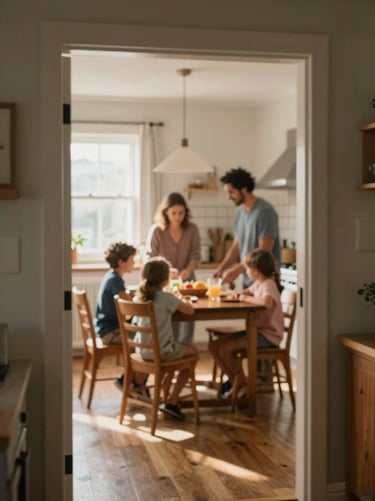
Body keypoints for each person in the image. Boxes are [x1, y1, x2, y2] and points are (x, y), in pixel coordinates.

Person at [209, 248, 284, 398]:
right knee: (214, 346)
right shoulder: (258, 283)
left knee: (225, 349)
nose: (246, 272)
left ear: (255, 271)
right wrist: (234, 294)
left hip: (268, 336)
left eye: (247, 269)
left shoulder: (268, 284)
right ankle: (238, 383)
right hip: (258, 332)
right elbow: (247, 292)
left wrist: (245, 299)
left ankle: (243, 385)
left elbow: (267, 302)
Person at [134, 256, 199, 420]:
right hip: (162, 351)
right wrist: (182, 299)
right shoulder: (166, 298)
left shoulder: (139, 297)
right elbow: (189, 311)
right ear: (165, 279)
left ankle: (166, 395)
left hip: (142, 351)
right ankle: (171, 400)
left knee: (176, 351)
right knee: (194, 355)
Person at [145, 192, 201, 344]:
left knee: (188, 316)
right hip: (164, 282)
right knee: (169, 316)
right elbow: (150, 258)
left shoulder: (192, 229)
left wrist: (187, 270)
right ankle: (170, 348)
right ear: (166, 212)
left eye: (181, 213)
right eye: (173, 213)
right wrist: (167, 271)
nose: (177, 217)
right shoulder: (156, 230)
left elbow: (196, 255)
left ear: (186, 212)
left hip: (188, 281)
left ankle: (185, 351)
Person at [213, 167, 280, 288]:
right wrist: (221, 269)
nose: (228, 197)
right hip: (249, 281)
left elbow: (263, 252)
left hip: (265, 283)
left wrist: (236, 271)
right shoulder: (240, 212)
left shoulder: (265, 212)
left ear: (244, 189)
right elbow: (236, 247)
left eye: (231, 192)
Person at [95, 241, 137, 389]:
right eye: (131, 260)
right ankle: (131, 382)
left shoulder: (111, 277)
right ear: (121, 262)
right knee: (145, 341)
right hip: (110, 333)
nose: (134, 262)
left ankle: (134, 382)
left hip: (105, 329)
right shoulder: (115, 281)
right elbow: (131, 306)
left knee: (144, 339)